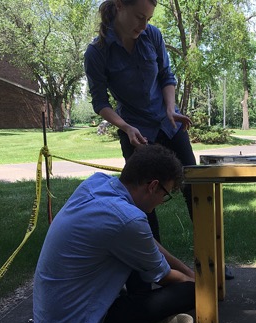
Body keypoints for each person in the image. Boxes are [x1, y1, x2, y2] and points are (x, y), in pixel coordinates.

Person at [83, 0, 234, 279]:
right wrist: (126, 127)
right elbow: (100, 102)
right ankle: (155, 272)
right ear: (119, 7)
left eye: (148, 18)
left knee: (195, 191)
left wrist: (169, 108)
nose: (143, 25)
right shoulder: (97, 52)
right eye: (139, 17)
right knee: (143, 202)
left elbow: (167, 75)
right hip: (136, 132)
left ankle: (211, 263)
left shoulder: (152, 35)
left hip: (170, 126)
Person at [33, 145, 195, 323]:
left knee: (145, 264)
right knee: (192, 293)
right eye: (165, 194)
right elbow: (163, 276)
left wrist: (189, 272)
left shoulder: (96, 184)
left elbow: (148, 245)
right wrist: (195, 283)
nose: (162, 202)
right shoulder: (128, 220)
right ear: (153, 186)